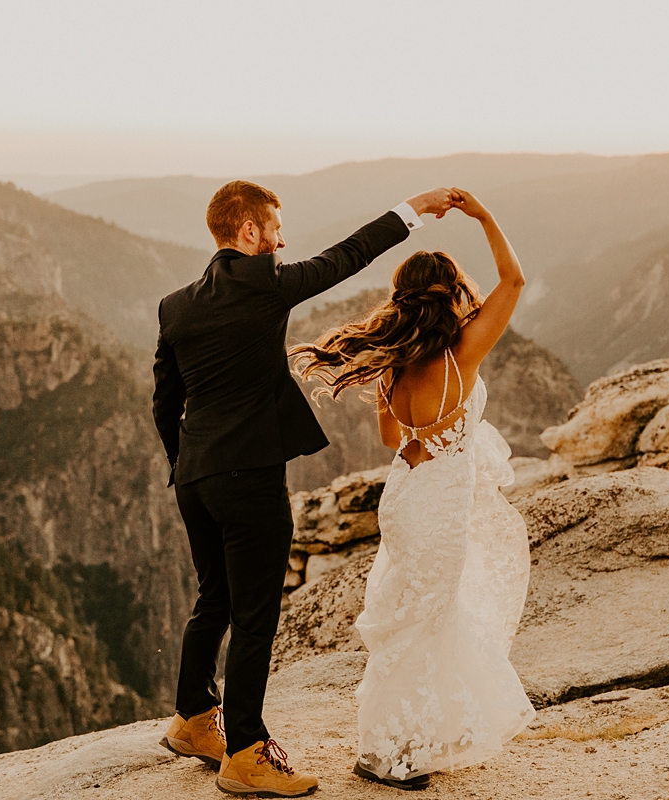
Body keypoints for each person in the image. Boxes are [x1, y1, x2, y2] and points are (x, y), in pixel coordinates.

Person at [152, 179, 455, 797]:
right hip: (249, 477)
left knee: (213, 597)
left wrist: (182, 463)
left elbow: (164, 400)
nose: (283, 242)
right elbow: (347, 257)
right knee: (255, 615)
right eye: (275, 229)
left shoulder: (175, 304)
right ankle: (245, 752)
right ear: (247, 233)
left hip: (195, 475)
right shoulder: (264, 283)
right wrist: (412, 211)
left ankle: (190, 718)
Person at [291, 188, 535, 791]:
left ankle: (395, 741)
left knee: (405, 621)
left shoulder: (393, 361)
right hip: (442, 507)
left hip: (405, 498)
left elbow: (390, 437)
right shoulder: (463, 354)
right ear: (452, 295)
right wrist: (483, 215)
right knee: (428, 622)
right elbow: (515, 280)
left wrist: (429, 433)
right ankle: (397, 752)